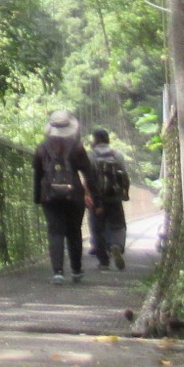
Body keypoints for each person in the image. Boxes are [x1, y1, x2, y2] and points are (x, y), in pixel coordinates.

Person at [30, 109, 96, 284]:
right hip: (74, 195)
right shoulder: (77, 148)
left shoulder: (41, 149)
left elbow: (37, 175)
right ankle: (76, 270)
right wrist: (95, 196)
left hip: (49, 196)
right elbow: (89, 174)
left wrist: (37, 197)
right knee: (74, 231)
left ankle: (58, 272)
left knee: (55, 231)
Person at [86, 128, 132, 271]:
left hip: (97, 198)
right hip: (114, 197)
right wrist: (125, 192)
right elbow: (124, 175)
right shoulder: (117, 154)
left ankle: (104, 262)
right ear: (107, 139)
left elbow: (88, 179)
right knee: (118, 225)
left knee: (97, 229)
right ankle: (116, 246)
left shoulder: (90, 155)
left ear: (96, 140)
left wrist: (87, 196)